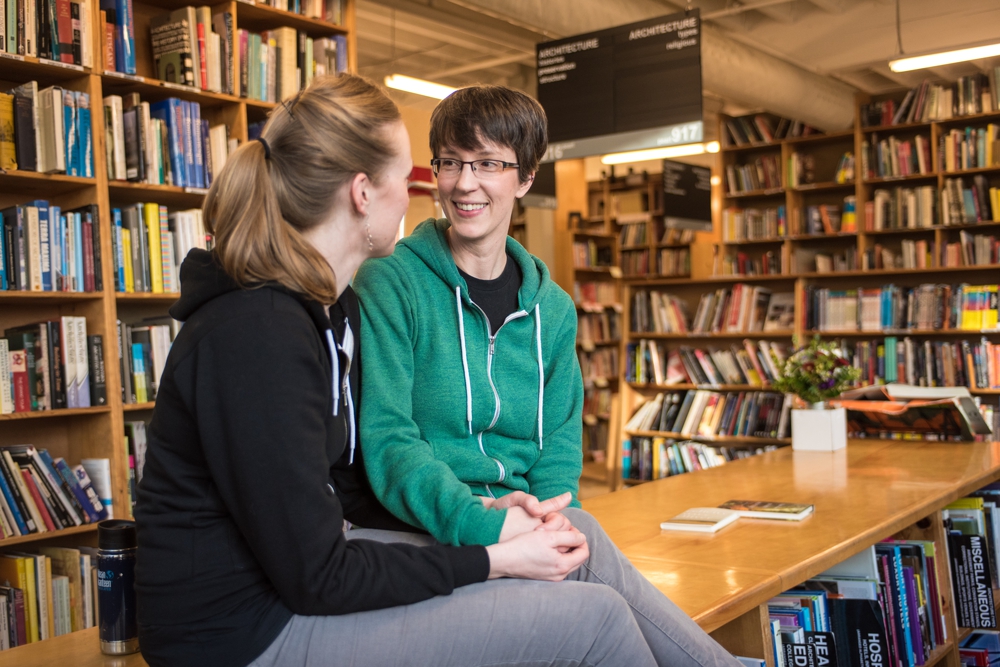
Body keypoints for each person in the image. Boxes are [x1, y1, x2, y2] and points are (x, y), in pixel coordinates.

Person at [133, 73, 685, 667]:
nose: (434, 190)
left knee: (579, 540)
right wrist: (492, 557)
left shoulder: (322, 311)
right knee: (595, 620)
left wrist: (493, 515)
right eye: (419, 173)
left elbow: (341, 500)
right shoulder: (257, 331)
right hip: (239, 633)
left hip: (290, 587)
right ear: (363, 192)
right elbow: (317, 573)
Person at [354, 84, 744, 667]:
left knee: (580, 534)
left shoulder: (555, 309)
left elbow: (559, 441)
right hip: (429, 528)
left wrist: (548, 518)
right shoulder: (390, 282)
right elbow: (388, 438)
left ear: (526, 178)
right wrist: (486, 526)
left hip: (523, 525)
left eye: (488, 164)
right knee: (597, 589)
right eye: (451, 162)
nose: (465, 183)